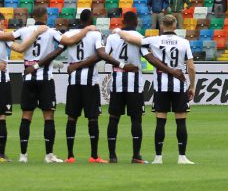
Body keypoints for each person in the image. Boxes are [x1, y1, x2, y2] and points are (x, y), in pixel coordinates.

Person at [13, 6, 95, 163]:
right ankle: (49, 155)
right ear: (45, 16)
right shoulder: (51, 32)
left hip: (28, 78)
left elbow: (9, 37)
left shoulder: (24, 31)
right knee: (48, 116)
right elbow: (69, 41)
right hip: (45, 79)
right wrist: (86, 29)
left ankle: (23, 156)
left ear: (33, 17)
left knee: (26, 116)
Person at [118, 15, 196, 164]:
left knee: (160, 122)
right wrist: (192, 86)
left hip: (161, 85)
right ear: (175, 26)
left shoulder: (154, 40)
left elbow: (131, 39)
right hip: (179, 85)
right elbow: (191, 67)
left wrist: (119, 31)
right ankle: (182, 157)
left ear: (161, 26)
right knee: (181, 121)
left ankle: (158, 157)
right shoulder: (184, 42)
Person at [62, 9, 128, 163]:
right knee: (92, 118)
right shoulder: (95, 34)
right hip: (90, 81)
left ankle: (70, 156)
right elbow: (101, 54)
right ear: (90, 20)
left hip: (73, 81)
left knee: (72, 118)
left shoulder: (70, 34)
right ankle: (94, 156)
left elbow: (60, 47)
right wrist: (122, 65)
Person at [0, 15, 48, 161]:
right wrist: (36, 32)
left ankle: (1, 154)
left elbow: (20, 48)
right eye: (2, 23)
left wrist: (35, 34)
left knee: (2, 117)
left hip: (3, 80)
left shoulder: (5, 38)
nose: (3, 26)